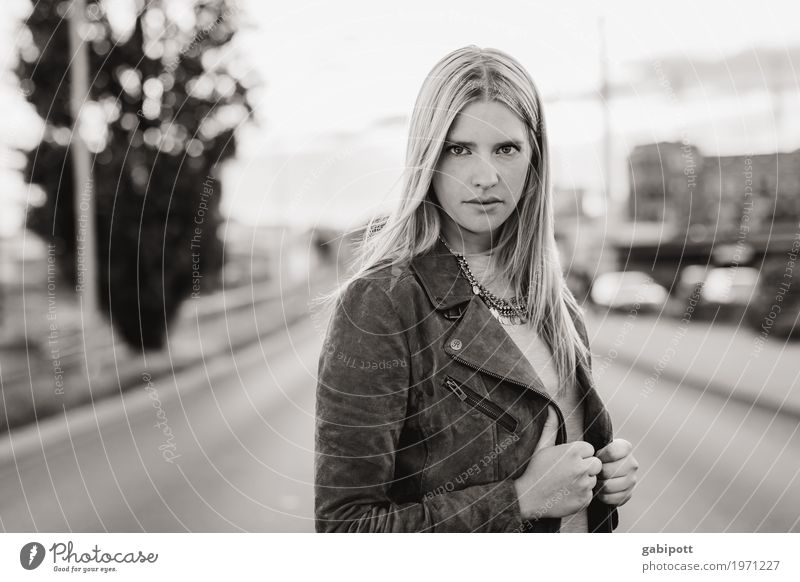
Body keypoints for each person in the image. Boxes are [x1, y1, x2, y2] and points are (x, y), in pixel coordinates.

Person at [312, 45, 638, 533]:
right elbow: (346, 528)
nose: (485, 177)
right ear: (427, 156)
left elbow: (556, 455)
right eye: (458, 148)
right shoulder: (385, 302)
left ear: (534, 161)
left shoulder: (554, 301)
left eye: (506, 149)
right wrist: (519, 500)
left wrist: (603, 479)